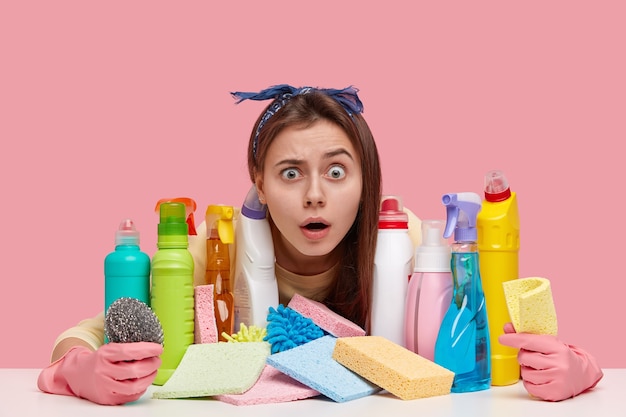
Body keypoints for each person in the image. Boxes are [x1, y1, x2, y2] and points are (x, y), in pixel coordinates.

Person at [37, 84, 602, 405]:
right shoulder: (219, 251)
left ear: (366, 179)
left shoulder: (407, 246)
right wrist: (76, 371)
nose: (314, 196)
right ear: (257, 181)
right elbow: (87, 332)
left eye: (336, 173)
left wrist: (580, 370)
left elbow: (506, 338)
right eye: (289, 174)